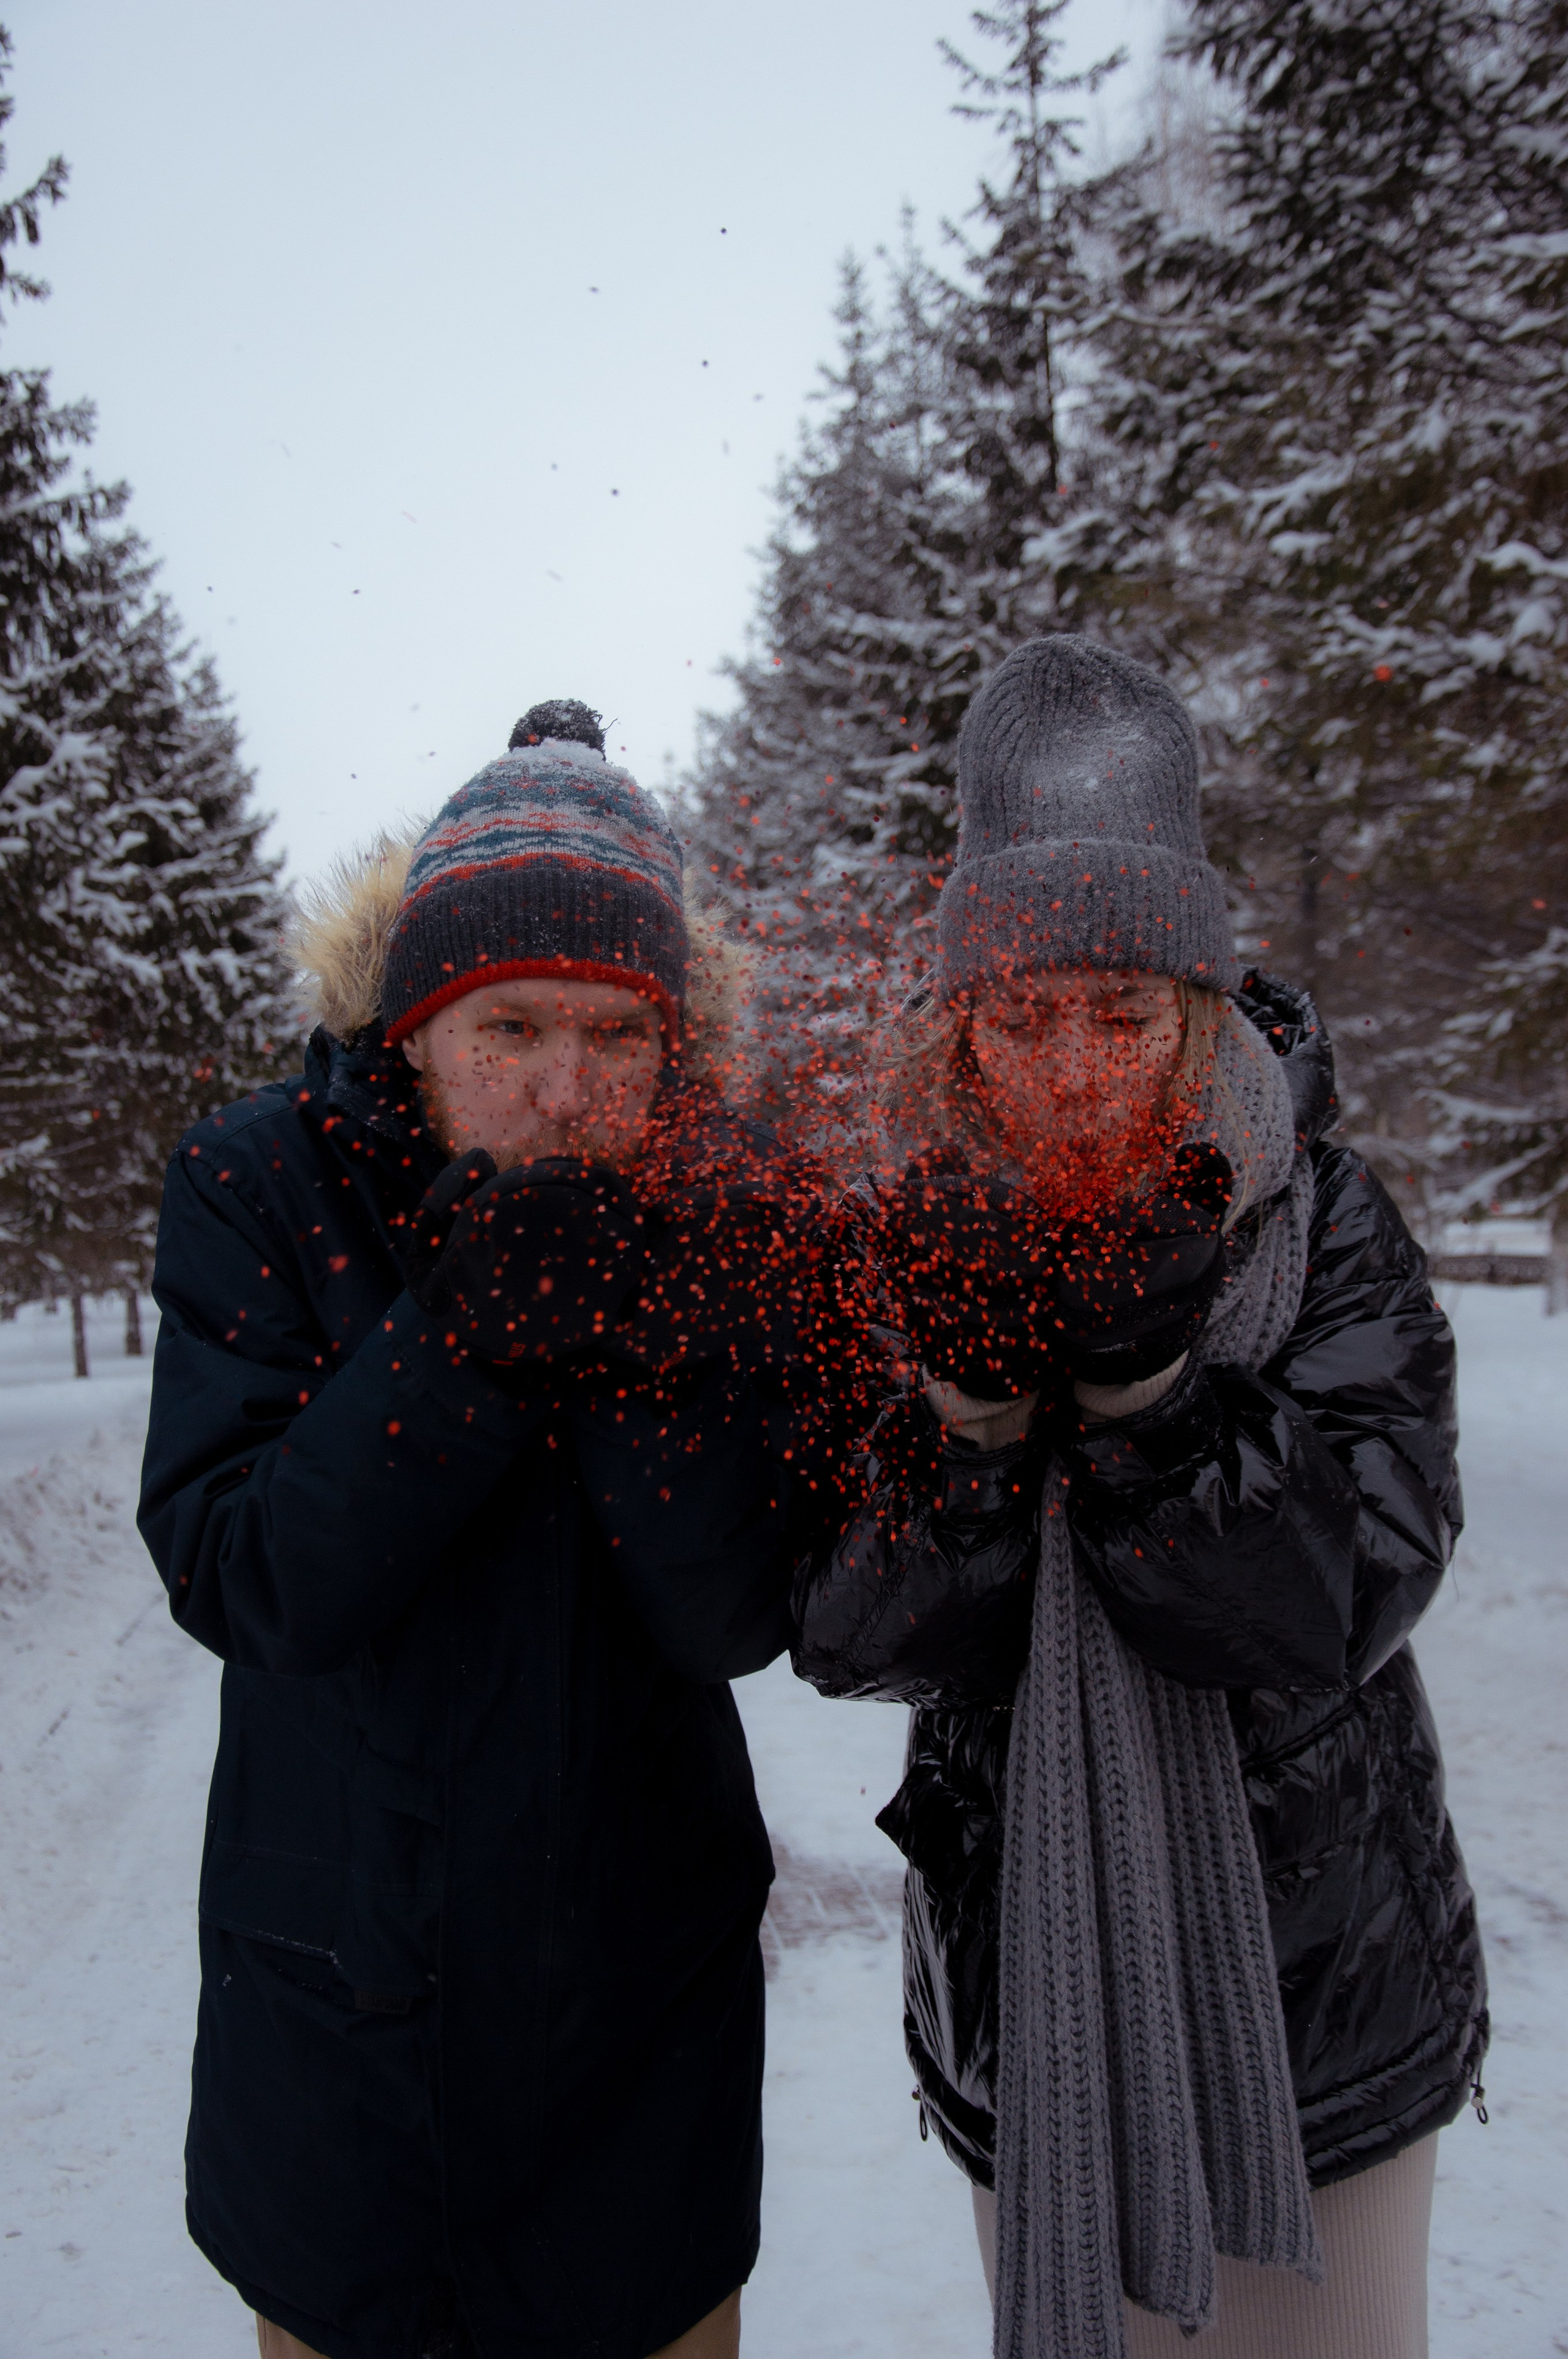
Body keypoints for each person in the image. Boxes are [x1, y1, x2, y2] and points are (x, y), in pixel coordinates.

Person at [794, 638, 1488, 2359]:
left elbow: (1341, 1598)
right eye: (1027, 1016)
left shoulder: (1321, 1219)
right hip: (1037, 2011)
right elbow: (840, 1626)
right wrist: (959, 1416)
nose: (1077, 1064)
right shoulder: (899, 1247)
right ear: (963, 1021)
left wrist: (1154, 1402)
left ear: (1195, 1002)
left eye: (1122, 1014)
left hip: (1319, 1993)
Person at [139, 701, 824, 2359]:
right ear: (417, 1025)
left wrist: (623, 1341)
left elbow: (734, 1608)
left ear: (676, 1044)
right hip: (339, 2013)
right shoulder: (263, 1182)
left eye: (617, 1035)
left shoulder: (722, 1209)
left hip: (636, 2020)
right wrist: (462, 1336)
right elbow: (247, 1570)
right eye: (510, 1028)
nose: (565, 1089)